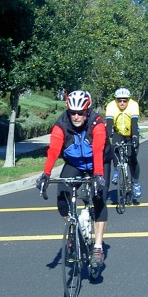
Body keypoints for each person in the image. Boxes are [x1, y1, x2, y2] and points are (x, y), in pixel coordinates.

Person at [36, 90, 109, 267]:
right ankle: (73, 229)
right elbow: (53, 150)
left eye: (80, 113)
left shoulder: (96, 123)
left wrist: (98, 175)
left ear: (87, 111)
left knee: (99, 198)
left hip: (98, 162)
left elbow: (98, 150)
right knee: (62, 198)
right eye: (72, 113)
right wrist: (46, 174)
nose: (76, 117)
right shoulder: (61, 124)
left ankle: (98, 247)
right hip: (75, 163)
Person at [105, 87, 142, 200]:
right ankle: (116, 170)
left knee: (132, 159)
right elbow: (109, 124)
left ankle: (136, 184)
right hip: (118, 132)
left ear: (128, 100)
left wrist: (135, 137)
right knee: (114, 148)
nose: (122, 103)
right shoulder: (111, 106)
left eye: (124, 100)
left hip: (130, 132)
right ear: (116, 100)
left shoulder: (133, 105)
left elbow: (134, 124)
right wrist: (106, 137)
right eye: (119, 100)